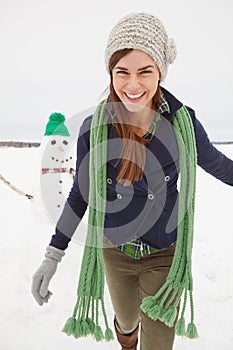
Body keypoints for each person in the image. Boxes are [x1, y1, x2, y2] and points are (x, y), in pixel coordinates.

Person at [31, 12, 233, 350]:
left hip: (165, 252)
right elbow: (81, 195)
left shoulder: (182, 125)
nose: (133, 84)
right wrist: (53, 256)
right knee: (126, 323)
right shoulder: (93, 131)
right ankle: (127, 337)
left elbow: (217, 164)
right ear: (110, 74)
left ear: (160, 73)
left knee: (158, 341)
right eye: (122, 72)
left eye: (145, 71)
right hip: (114, 249)